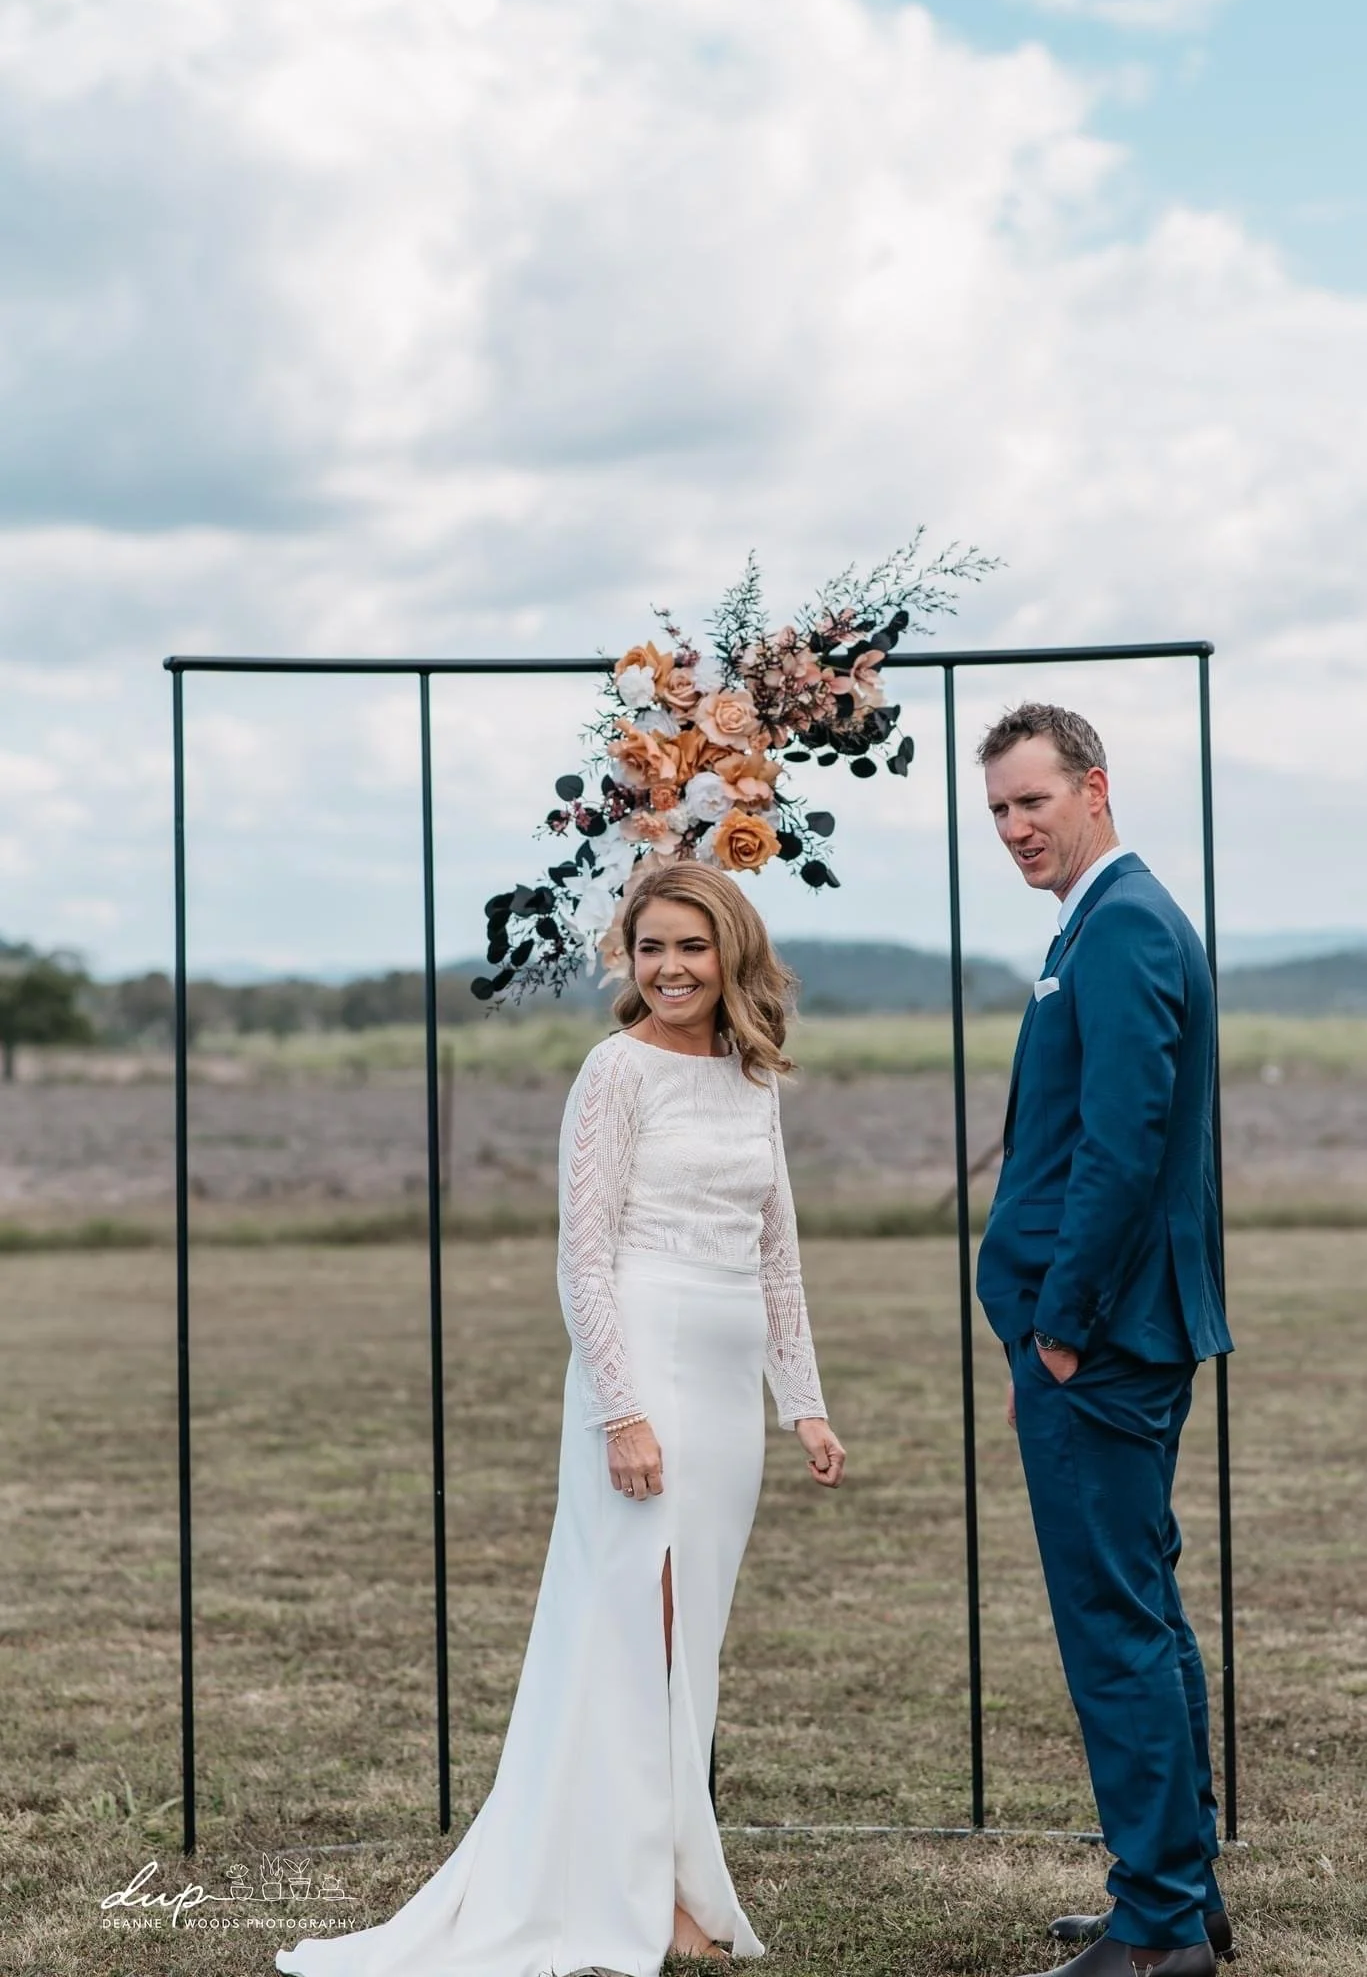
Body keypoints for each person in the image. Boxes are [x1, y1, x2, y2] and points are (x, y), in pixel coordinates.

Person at [277, 860, 846, 1977]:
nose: (670, 967)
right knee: (638, 1622)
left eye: (690, 945)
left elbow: (777, 1251)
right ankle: (643, 1893)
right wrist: (622, 1412)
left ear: (730, 950)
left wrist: (804, 1402)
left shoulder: (751, 1076)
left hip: (730, 1380)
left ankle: (674, 1877)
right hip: (642, 1358)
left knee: (691, 1639)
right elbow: (583, 1254)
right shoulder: (613, 1069)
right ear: (626, 961)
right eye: (650, 948)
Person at [973, 704, 1235, 1977]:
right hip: (1107, 1337)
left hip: (1102, 1338)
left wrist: (1059, 1326)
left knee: (1112, 1620)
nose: (1016, 828)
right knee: (1144, 1607)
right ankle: (1178, 1892)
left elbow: (1123, 1144)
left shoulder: (1123, 922)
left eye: (1032, 801)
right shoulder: (1100, 918)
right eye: (999, 813)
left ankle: (1154, 1930)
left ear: (1093, 787)